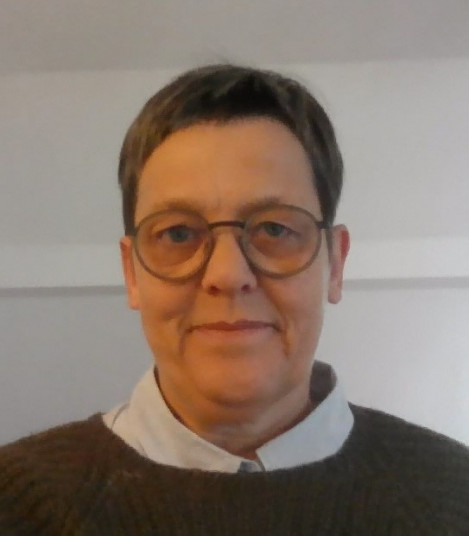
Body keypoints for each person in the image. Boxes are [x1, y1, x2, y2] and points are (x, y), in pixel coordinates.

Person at [0, 64, 468, 535]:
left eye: (275, 229)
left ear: (335, 264)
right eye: (177, 233)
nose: (226, 274)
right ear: (132, 273)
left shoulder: (455, 496)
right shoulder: (14, 503)